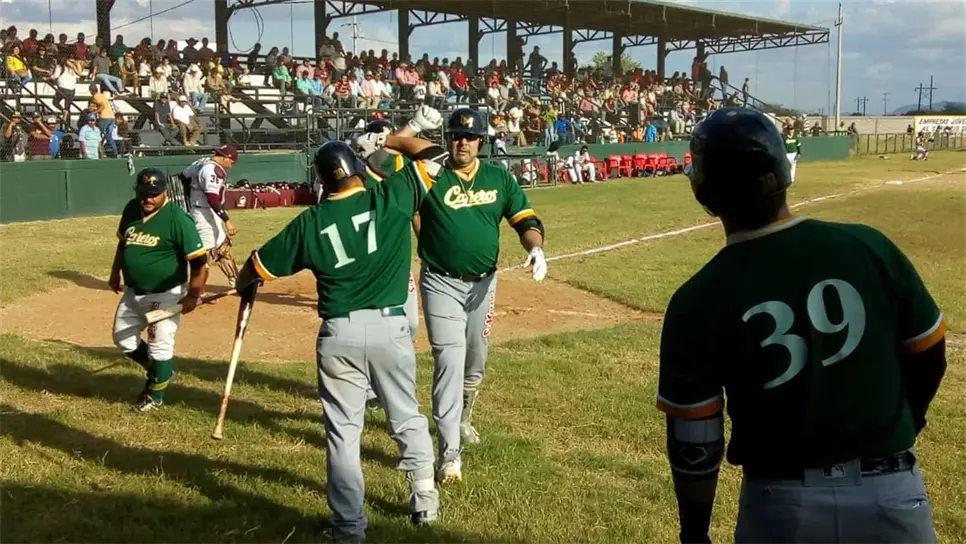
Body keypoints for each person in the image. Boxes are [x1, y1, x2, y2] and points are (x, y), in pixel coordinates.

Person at [656, 107, 946, 544]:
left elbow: (695, 441)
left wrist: (694, 533)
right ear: (782, 172)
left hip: (782, 505)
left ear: (704, 193)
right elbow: (930, 356)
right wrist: (905, 423)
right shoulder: (868, 247)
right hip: (891, 494)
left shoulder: (698, 298)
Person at [233, 136, 447, 542]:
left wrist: (243, 282)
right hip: (389, 326)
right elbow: (432, 154)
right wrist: (392, 139)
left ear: (320, 180)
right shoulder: (391, 196)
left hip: (339, 334)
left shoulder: (309, 222)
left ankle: (348, 526)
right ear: (357, 168)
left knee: (343, 432)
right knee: (405, 415)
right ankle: (424, 499)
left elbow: (257, 266)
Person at [417, 107, 548, 484]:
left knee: (475, 358)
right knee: (449, 364)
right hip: (440, 281)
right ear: (447, 139)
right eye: (456, 135)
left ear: (481, 141)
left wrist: (535, 248)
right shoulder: (432, 175)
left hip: (483, 284)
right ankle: (448, 453)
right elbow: (397, 178)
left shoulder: (498, 178)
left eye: (470, 136)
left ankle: (463, 419)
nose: (463, 141)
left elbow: (525, 219)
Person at [109, 168, 209, 413]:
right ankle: (159, 371)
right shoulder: (131, 209)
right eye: (143, 193)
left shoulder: (177, 219)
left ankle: (155, 396)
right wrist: (115, 273)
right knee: (122, 338)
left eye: (154, 194)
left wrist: (193, 295)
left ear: (165, 192)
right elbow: (123, 245)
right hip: (133, 291)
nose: (147, 199)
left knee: (160, 344)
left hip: (165, 294)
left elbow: (199, 264)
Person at [179, 144, 239, 285]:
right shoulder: (211, 170)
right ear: (225, 158)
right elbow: (212, 197)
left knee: (221, 246)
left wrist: (192, 191)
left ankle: (236, 280)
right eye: (231, 161)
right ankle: (197, 291)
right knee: (204, 255)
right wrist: (227, 219)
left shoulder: (200, 162)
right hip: (203, 212)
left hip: (204, 209)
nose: (231, 165)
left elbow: (183, 176)